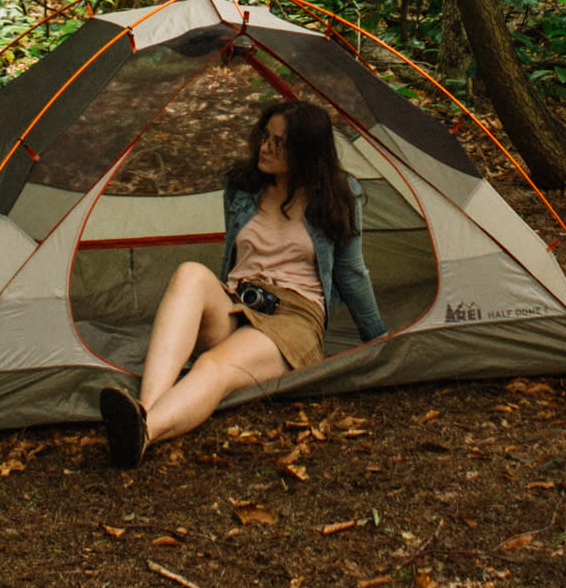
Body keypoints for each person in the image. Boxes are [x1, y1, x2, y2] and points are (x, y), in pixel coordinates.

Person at [97, 99, 386, 468]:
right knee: (189, 272)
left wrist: (380, 342)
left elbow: (351, 271)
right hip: (237, 299)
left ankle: (145, 432)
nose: (265, 147)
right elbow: (230, 259)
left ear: (306, 151)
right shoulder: (243, 187)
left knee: (212, 367)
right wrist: (214, 301)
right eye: (265, 137)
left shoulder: (340, 196)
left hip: (293, 318)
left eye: (279, 143)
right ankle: (143, 410)